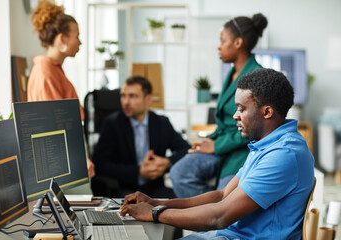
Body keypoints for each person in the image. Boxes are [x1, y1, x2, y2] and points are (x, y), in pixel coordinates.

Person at [120, 68, 315, 240]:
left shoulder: (284, 154)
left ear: (267, 112)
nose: (235, 115)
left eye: (241, 109)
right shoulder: (266, 144)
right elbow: (222, 195)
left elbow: (219, 217)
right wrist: (157, 203)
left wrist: (155, 213)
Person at [169, 13, 268, 198]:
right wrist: (209, 142)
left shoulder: (257, 76)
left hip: (241, 150)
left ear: (238, 43)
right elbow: (224, 123)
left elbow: (255, 128)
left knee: (227, 195)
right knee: (179, 172)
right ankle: (209, 216)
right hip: (222, 146)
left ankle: (215, 216)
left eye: (223, 40)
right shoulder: (231, 74)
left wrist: (216, 146)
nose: (219, 46)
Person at [92, 75, 190, 198]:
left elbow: (186, 149)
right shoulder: (112, 124)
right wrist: (138, 172)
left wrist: (167, 162)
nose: (126, 102)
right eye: (123, 96)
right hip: (126, 189)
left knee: (182, 203)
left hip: (155, 188)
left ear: (148, 99)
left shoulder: (161, 122)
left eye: (133, 96)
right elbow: (100, 164)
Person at [28, 0, 95, 178]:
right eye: (77, 36)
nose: (80, 42)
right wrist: (79, 159)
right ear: (62, 39)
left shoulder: (54, 69)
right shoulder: (45, 71)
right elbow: (53, 126)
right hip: (61, 163)